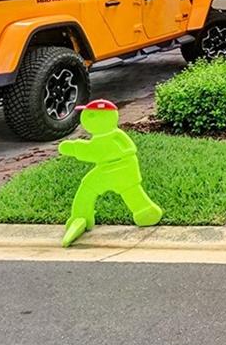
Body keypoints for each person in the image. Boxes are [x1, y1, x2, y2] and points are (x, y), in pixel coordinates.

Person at [58, 99, 162, 247]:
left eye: (89, 115)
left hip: (114, 170)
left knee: (88, 188)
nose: (84, 120)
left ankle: (81, 215)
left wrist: (73, 148)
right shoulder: (116, 135)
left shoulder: (107, 138)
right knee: (131, 193)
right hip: (120, 169)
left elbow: (92, 152)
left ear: (102, 118)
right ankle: (145, 211)